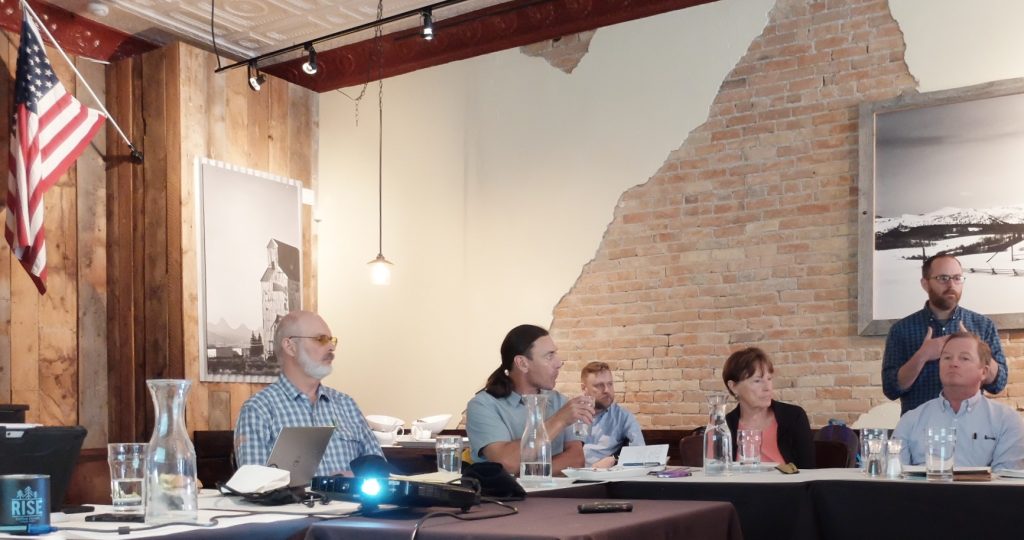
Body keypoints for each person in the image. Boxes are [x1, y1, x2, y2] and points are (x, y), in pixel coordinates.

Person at [234, 310, 383, 475]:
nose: (332, 347)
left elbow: (379, 468)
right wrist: (317, 489)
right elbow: (254, 485)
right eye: (321, 339)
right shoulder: (258, 410)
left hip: (354, 501)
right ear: (290, 347)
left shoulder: (347, 404)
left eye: (332, 340)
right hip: (295, 502)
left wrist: (356, 478)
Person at [882, 254, 1007, 415]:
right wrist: (922, 355)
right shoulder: (901, 330)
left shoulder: (983, 326)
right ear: (925, 284)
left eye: (957, 278)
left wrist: (976, 350)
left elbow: (998, 384)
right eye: (943, 278)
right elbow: (891, 389)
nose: (951, 284)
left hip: (972, 428)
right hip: (919, 429)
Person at [465, 324, 593, 475]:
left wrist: (526, 472)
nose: (559, 363)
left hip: (557, 495)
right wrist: (559, 420)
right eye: (549, 356)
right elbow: (506, 463)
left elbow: (576, 460)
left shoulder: (559, 401)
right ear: (522, 363)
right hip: (505, 497)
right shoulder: (483, 406)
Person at [892, 332, 1024, 471]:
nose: (953, 363)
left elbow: (1006, 482)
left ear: (984, 372)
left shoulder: (1007, 420)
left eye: (964, 358)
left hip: (983, 493)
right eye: (947, 357)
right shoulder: (911, 420)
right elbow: (895, 477)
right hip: (922, 492)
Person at [723, 347, 814, 468]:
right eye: (757, 381)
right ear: (733, 386)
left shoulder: (794, 417)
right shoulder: (725, 426)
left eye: (769, 379)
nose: (767, 387)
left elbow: (809, 473)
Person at [579, 362, 645, 468]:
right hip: (570, 476)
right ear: (584, 388)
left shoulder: (623, 417)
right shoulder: (571, 415)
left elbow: (639, 451)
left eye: (610, 384)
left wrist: (614, 458)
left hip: (606, 478)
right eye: (599, 385)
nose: (607, 390)